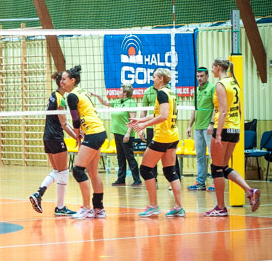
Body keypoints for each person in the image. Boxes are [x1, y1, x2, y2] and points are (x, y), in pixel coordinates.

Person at [205, 58, 260, 216]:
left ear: (219, 67)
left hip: (224, 128)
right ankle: (249, 191)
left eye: (213, 67)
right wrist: (238, 129)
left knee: (216, 168)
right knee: (223, 167)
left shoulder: (221, 84)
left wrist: (218, 134)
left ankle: (220, 207)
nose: (212, 70)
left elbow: (223, 111)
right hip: (234, 128)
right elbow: (240, 109)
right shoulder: (234, 83)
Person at [129, 69, 185, 217]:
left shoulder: (161, 93)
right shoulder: (171, 93)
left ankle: (153, 206)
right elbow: (157, 114)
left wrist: (144, 125)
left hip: (162, 137)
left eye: (154, 77)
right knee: (170, 171)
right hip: (172, 136)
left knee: (145, 169)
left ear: (161, 78)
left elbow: (163, 116)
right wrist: (140, 120)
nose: (152, 79)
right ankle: (178, 207)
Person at [60, 65, 107, 219]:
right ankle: (99, 208)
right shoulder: (81, 91)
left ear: (73, 80)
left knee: (78, 170)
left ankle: (87, 208)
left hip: (93, 133)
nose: (61, 82)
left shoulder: (72, 96)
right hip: (99, 131)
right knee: (93, 172)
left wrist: (78, 138)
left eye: (64, 79)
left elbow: (75, 120)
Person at [29, 72, 76, 216]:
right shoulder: (60, 99)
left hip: (47, 137)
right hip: (56, 138)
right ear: (62, 83)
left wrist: (77, 134)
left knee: (57, 171)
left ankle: (38, 194)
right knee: (64, 172)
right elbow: (64, 124)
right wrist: (77, 138)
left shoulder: (53, 95)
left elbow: (63, 122)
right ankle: (60, 207)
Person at [91, 84, 142, 187]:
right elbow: (105, 103)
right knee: (120, 157)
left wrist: (128, 133)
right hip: (117, 133)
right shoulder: (117, 102)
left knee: (129, 157)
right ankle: (121, 179)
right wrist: (97, 96)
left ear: (125, 93)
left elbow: (132, 120)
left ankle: (137, 179)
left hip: (126, 134)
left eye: (120, 90)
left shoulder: (131, 103)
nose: (118, 92)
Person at [186, 66, 215, 191]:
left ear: (207, 76)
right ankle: (200, 182)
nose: (199, 78)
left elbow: (216, 108)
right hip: (197, 127)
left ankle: (215, 182)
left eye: (201, 76)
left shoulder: (212, 88)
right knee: (200, 156)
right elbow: (194, 109)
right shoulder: (196, 90)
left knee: (213, 156)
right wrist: (189, 126)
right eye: (197, 76)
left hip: (208, 128)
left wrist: (212, 124)